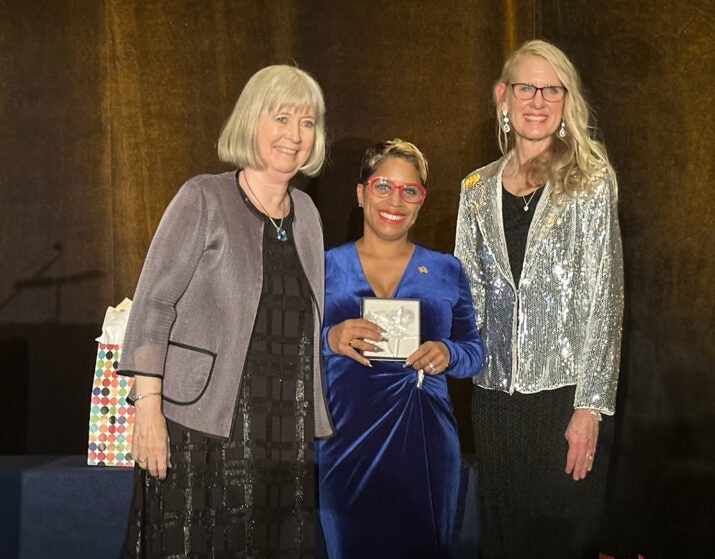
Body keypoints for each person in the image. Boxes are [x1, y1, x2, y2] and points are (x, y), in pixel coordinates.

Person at [117, 64, 333, 558]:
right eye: (282, 118)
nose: (295, 135)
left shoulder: (308, 216)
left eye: (307, 123)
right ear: (251, 122)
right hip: (202, 425)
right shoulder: (203, 197)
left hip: (284, 428)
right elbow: (153, 303)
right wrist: (147, 406)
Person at [454, 40, 624, 558]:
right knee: (502, 542)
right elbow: (466, 293)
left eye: (552, 89)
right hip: (494, 402)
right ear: (502, 97)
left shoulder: (592, 182)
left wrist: (590, 408)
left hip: (565, 401)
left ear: (566, 101)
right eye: (526, 87)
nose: (538, 100)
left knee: (560, 543)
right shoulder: (476, 188)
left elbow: (607, 299)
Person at [316, 139, 484, 558]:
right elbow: (286, 347)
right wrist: (329, 339)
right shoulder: (321, 265)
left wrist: (448, 352)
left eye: (410, 190)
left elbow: (474, 352)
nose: (396, 199)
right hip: (344, 438)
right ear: (360, 193)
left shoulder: (447, 270)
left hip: (424, 443)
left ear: (422, 201)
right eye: (383, 186)